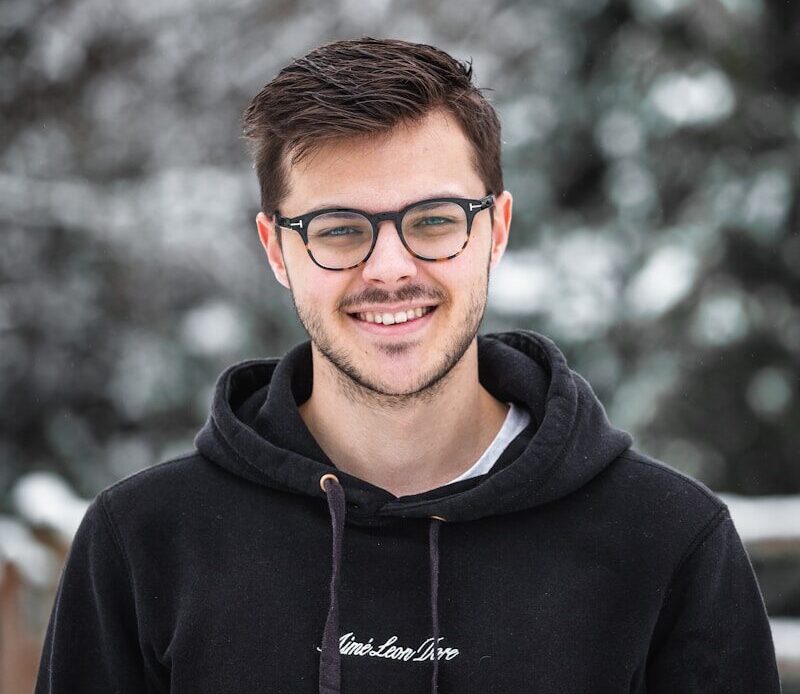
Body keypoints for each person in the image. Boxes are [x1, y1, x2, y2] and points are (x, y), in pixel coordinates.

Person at [35, 38, 781, 694]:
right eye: (338, 229)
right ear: (276, 249)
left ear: (496, 230)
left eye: (432, 221)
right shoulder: (144, 542)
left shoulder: (668, 542)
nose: (389, 269)